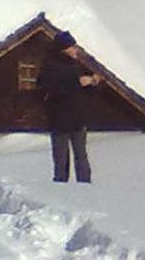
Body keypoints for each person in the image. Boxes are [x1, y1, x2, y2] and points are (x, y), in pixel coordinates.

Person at [39, 30, 101, 182]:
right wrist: (77, 83)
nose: (76, 50)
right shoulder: (50, 66)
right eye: (72, 47)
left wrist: (93, 82)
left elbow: (82, 91)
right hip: (59, 119)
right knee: (61, 159)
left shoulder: (75, 65)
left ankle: (85, 186)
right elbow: (49, 90)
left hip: (78, 118)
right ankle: (62, 189)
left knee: (81, 156)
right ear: (63, 49)